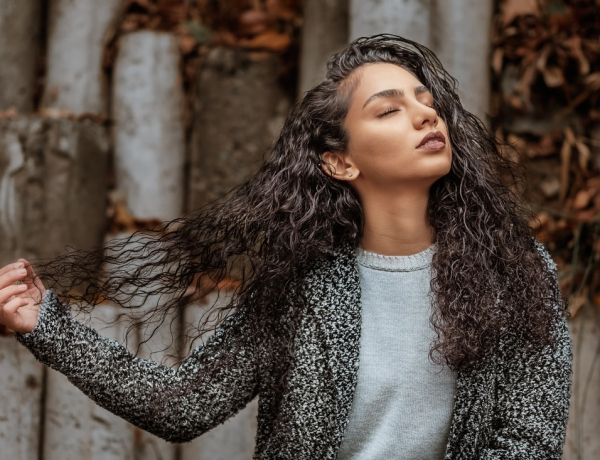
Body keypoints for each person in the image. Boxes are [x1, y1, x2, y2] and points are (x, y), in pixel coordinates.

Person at [0, 34, 572, 459]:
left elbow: (528, 440)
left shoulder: (515, 271)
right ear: (340, 161)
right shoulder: (301, 285)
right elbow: (183, 405)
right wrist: (46, 324)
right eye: (389, 109)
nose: (426, 114)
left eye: (427, 102)